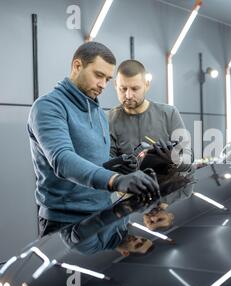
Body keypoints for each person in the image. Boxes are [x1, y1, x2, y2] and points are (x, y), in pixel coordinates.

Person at [27, 42, 159, 256]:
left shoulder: (98, 111)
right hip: (65, 222)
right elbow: (63, 160)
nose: (103, 84)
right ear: (77, 66)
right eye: (98, 75)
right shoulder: (48, 107)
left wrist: (115, 166)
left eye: (108, 79)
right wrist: (115, 179)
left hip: (103, 213)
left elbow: (92, 158)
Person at [108, 60, 194, 231]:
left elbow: (188, 159)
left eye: (135, 88)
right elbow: (108, 166)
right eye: (123, 89)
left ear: (146, 85)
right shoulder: (109, 120)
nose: (129, 95)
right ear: (114, 85)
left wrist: (175, 159)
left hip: (169, 189)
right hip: (130, 194)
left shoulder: (168, 114)